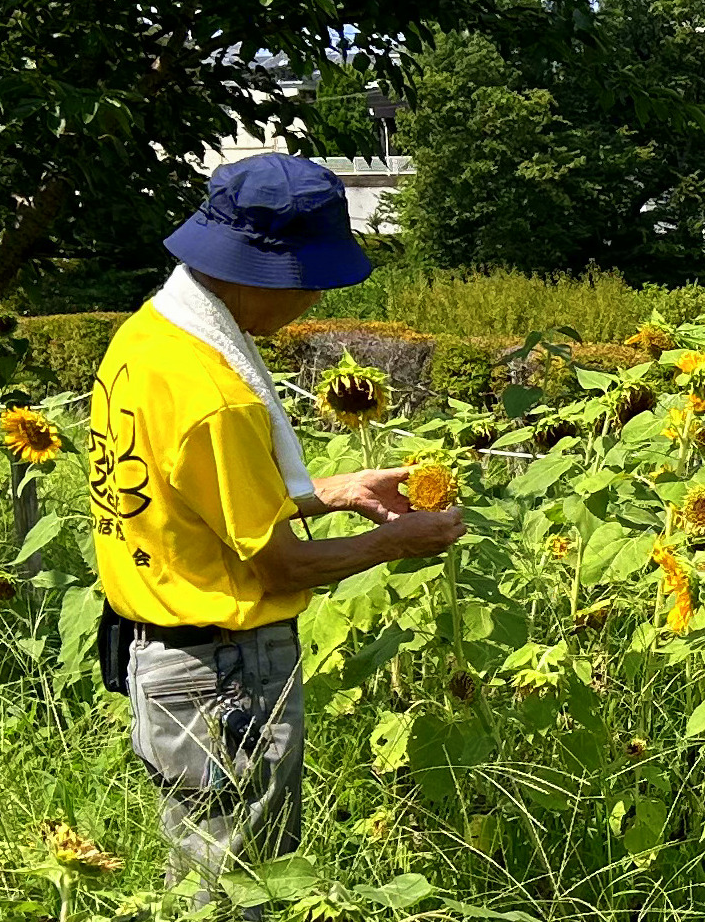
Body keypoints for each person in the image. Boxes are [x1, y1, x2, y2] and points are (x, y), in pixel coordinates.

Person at [85, 154, 464, 881]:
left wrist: (335, 488)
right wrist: (395, 541)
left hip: (160, 653)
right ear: (263, 269)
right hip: (221, 670)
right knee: (236, 886)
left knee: (201, 866)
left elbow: (189, 494)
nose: (313, 300)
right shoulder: (215, 396)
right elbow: (281, 564)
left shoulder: (148, 340)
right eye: (309, 279)